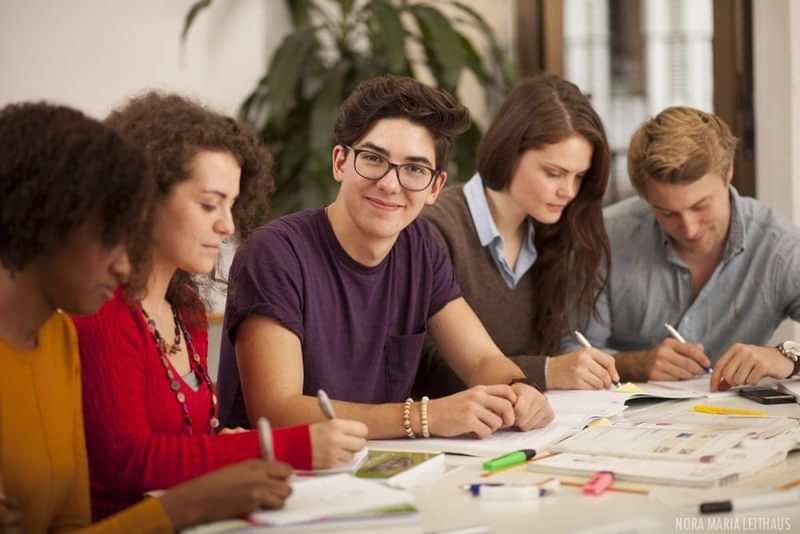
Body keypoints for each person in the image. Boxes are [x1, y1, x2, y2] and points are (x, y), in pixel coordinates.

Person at [0, 102, 292, 533]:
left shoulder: (59, 337)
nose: (123, 267)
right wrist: (187, 506)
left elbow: (69, 523)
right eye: (108, 237)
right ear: (44, 222)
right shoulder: (95, 320)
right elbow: (128, 463)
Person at [73, 92, 367, 519]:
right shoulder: (102, 311)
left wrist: (221, 444)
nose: (227, 225)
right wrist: (281, 446)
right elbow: (129, 462)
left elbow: (181, 442)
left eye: (231, 205)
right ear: (144, 197)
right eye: (210, 204)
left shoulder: (186, 308)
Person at [218, 75, 554, 440]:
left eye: (414, 169)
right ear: (340, 162)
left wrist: (518, 389)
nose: (391, 184)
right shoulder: (275, 253)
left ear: (435, 187)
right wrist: (424, 417)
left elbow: (481, 360)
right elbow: (277, 411)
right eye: (373, 159)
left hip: (377, 470)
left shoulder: (420, 245)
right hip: (281, 479)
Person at [414, 73, 618, 398]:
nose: (568, 191)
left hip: (526, 429)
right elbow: (421, 369)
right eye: (554, 173)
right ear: (510, 152)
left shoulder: (557, 233)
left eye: (579, 177)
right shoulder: (435, 230)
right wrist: (548, 371)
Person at [572, 106, 800, 390]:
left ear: (728, 173)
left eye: (700, 206)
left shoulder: (779, 246)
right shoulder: (607, 237)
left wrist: (787, 358)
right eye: (667, 213)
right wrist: (636, 364)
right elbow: (571, 354)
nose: (689, 228)